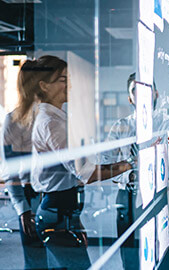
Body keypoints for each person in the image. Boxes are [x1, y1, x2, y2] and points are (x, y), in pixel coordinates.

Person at [15, 55, 132, 269]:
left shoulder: (58, 118)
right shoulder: (51, 123)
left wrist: (76, 221)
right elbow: (85, 173)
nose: (69, 84)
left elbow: (72, 174)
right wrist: (128, 166)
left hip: (63, 212)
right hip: (56, 213)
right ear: (44, 85)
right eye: (62, 79)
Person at [102, 73, 169, 270]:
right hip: (128, 195)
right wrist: (128, 169)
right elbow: (105, 162)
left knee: (162, 251)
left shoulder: (166, 125)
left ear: (156, 94)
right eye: (135, 91)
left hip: (157, 195)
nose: (141, 95)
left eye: (146, 90)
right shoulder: (120, 127)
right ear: (129, 98)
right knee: (130, 252)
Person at [0, 60, 48, 269]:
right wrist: (23, 210)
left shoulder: (54, 118)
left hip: (56, 195)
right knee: (36, 262)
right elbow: (11, 170)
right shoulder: (14, 121)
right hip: (32, 197)